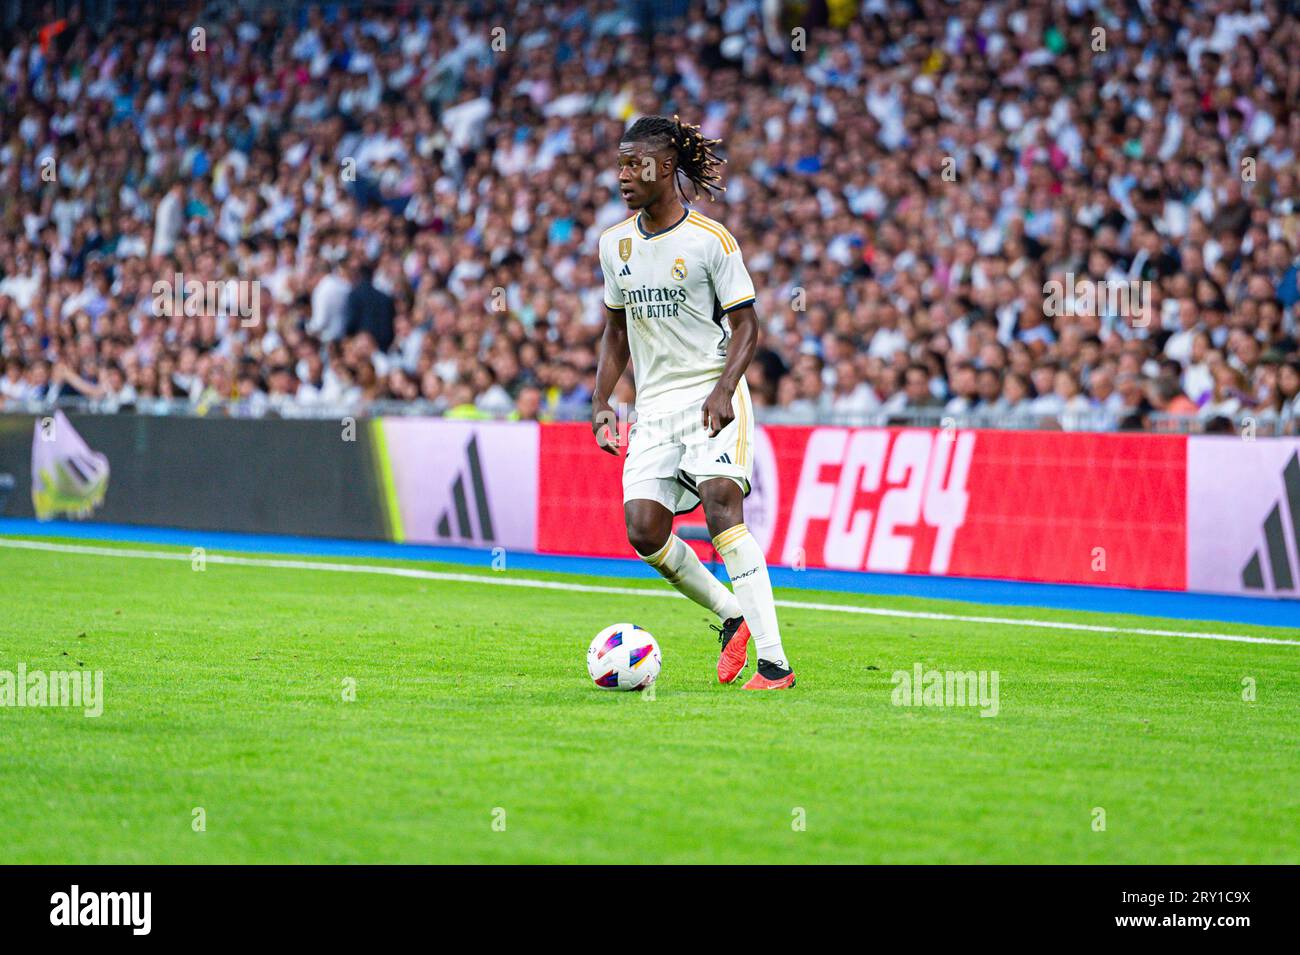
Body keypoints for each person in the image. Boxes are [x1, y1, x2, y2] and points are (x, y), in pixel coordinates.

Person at [591, 115, 794, 691]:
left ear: (668, 167)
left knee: (722, 510)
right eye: (621, 163)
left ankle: (776, 664)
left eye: (637, 164)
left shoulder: (712, 241)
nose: (624, 174)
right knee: (642, 530)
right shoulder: (615, 244)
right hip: (654, 405)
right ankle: (731, 615)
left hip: (711, 391)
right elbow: (614, 331)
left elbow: (748, 326)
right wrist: (603, 399)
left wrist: (725, 387)